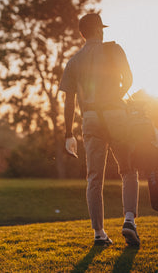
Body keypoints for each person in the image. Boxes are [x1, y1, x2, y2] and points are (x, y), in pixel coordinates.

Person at [59, 13, 140, 247]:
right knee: (128, 168)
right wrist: (115, 96)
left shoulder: (74, 61)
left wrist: (68, 134)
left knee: (94, 177)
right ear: (99, 30)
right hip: (115, 113)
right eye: (101, 29)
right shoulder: (114, 50)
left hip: (90, 117)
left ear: (82, 34)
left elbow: (69, 101)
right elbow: (129, 80)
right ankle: (129, 220)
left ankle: (99, 234)